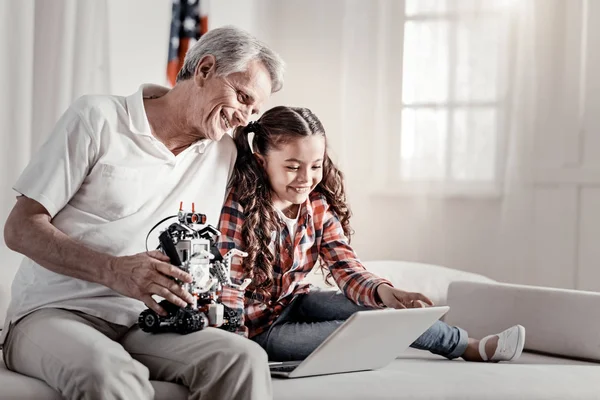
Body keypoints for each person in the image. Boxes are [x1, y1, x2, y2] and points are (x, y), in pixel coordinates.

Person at [1, 26, 284, 400]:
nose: (244, 118)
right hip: (54, 311)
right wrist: (114, 270)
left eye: (254, 109)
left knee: (243, 359)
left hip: (146, 322)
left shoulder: (223, 154)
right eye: (242, 97)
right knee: (111, 373)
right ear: (204, 69)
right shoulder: (98, 118)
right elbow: (20, 228)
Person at [217, 106, 526, 363]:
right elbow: (228, 285)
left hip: (296, 303)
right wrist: (235, 347)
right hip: (260, 330)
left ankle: (469, 346)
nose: (306, 178)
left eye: (315, 166)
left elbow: (345, 266)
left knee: (387, 312)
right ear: (262, 160)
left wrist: (384, 293)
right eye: (292, 167)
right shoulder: (240, 207)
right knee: (361, 332)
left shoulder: (318, 208)